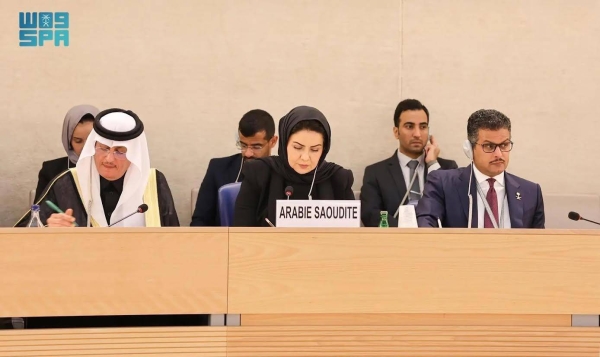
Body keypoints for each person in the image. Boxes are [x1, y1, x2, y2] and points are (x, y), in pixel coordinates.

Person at [16, 108, 179, 228]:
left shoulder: (153, 182)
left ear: (135, 155)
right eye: (103, 148)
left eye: (120, 151)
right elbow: (21, 233)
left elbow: (175, 239)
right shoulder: (68, 182)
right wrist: (46, 227)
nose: (109, 159)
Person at [416, 109, 545, 228]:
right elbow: (425, 229)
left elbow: (540, 245)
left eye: (504, 145)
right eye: (489, 146)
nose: (499, 154)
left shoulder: (531, 193)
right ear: (469, 149)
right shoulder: (442, 183)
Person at [233, 106, 355, 227]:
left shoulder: (339, 179)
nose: (305, 157)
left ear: (324, 150)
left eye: (315, 149)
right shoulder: (258, 173)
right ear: (284, 143)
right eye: (297, 147)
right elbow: (240, 235)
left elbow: (352, 240)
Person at [360, 99, 458, 227]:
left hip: (437, 243)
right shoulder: (376, 173)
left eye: (423, 127)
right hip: (394, 243)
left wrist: (433, 164)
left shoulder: (447, 168)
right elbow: (370, 215)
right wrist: (408, 233)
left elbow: (455, 211)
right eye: (409, 126)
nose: (417, 134)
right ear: (396, 132)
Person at [190, 109, 277, 226]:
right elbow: (199, 222)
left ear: (273, 142)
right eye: (243, 145)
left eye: (256, 146)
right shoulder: (218, 169)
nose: (247, 153)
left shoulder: (282, 173)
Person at [34, 105, 99, 202]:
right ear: (68, 140)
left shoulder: (111, 167)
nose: (85, 147)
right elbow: (39, 212)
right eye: (78, 141)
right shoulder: (51, 171)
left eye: (91, 140)